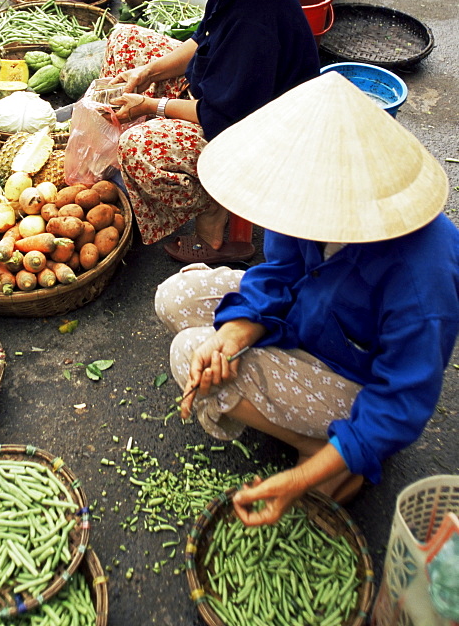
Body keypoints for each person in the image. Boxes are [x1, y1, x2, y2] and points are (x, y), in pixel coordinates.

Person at [156, 71, 459, 524]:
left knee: (187, 354)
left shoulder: (422, 273)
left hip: (356, 381)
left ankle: (322, 454)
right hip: (308, 318)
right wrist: (236, 334)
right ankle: (302, 421)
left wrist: (301, 480)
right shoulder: (301, 195)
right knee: (177, 297)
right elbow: (280, 272)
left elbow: (400, 403)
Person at [101, 0, 321, 265]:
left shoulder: (257, 18)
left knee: (139, 147)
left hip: (259, 132)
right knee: (125, 39)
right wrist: (147, 72)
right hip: (228, 94)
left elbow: (223, 115)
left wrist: (152, 106)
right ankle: (150, 131)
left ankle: (213, 212)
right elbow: (201, 41)